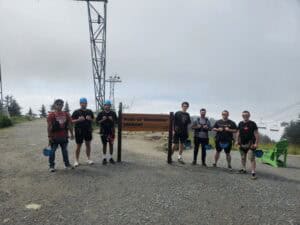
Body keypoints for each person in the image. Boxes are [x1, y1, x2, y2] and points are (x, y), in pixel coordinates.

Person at [47, 99, 74, 172]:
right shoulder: (51, 115)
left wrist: (72, 134)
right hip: (54, 137)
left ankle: (67, 165)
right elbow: (49, 127)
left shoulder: (66, 114)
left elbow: (69, 125)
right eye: (58, 104)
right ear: (55, 105)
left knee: (65, 151)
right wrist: (49, 137)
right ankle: (51, 166)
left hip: (64, 136)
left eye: (61, 104)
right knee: (52, 151)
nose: (60, 106)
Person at [236, 111, 259, 180]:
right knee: (243, 157)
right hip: (242, 143)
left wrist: (256, 143)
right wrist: (236, 141)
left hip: (251, 144)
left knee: (251, 158)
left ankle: (253, 173)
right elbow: (238, 132)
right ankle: (244, 169)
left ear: (249, 115)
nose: (245, 116)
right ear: (242, 116)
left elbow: (256, 134)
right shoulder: (240, 123)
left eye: (246, 115)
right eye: (243, 115)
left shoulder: (252, 123)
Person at [71, 98, 94, 167]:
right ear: (80, 103)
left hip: (88, 130)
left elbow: (94, 120)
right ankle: (76, 160)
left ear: (86, 103)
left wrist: (90, 119)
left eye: (85, 103)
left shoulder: (90, 111)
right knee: (78, 146)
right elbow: (71, 121)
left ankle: (89, 159)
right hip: (79, 131)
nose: (84, 104)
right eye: (82, 103)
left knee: (88, 145)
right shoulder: (76, 111)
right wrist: (78, 120)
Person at [96, 100, 118, 165]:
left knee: (111, 144)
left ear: (110, 106)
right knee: (104, 145)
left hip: (111, 131)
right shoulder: (101, 113)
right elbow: (97, 122)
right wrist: (103, 119)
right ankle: (104, 158)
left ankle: (111, 158)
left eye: (108, 105)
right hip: (103, 131)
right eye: (106, 105)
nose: (107, 106)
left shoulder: (113, 113)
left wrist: (112, 120)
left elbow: (116, 122)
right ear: (104, 106)